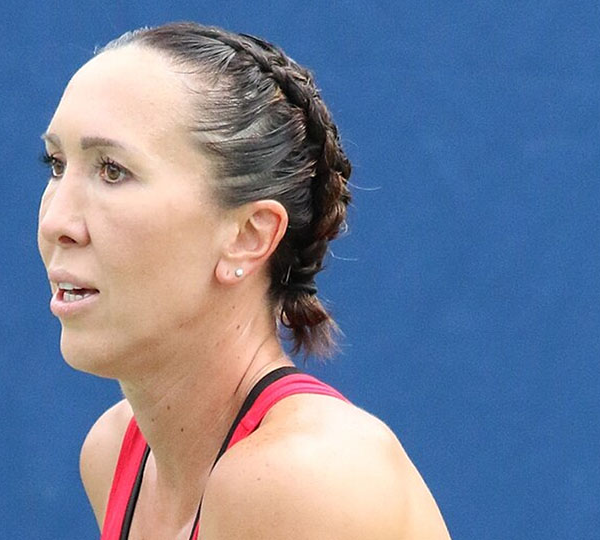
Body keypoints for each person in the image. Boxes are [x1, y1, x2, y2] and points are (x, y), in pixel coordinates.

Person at [37, 22, 450, 539]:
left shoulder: (305, 479)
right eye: (56, 165)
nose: (56, 222)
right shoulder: (116, 452)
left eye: (113, 170)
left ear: (248, 236)